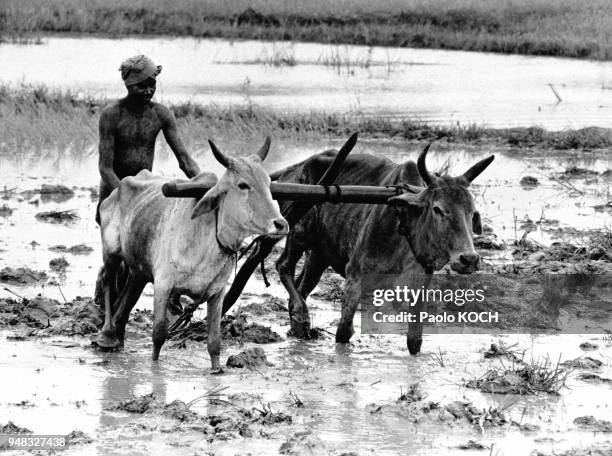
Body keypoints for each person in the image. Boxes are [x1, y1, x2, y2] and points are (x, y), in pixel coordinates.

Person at [94, 55, 199, 319]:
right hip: (114, 194)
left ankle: (119, 312)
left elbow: (184, 159)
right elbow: (105, 167)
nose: (148, 90)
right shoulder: (112, 115)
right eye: (141, 86)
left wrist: (203, 185)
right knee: (113, 257)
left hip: (143, 195)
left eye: (152, 84)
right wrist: (123, 196)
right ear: (128, 86)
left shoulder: (160, 114)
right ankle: (103, 303)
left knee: (137, 260)